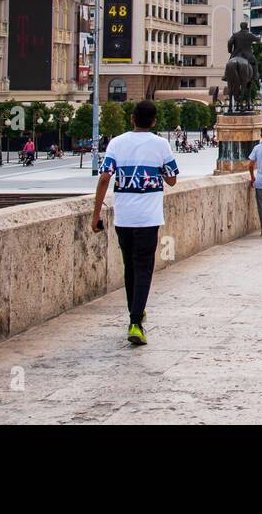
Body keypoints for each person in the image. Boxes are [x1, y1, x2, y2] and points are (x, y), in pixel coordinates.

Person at [90, 99, 180, 347]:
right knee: (143, 268)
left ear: (132, 119)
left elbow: (105, 177)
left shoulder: (117, 143)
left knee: (130, 267)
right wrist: (155, 173)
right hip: (148, 219)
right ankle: (136, 322)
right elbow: (172, 180)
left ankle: (135, 314)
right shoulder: (161, 144)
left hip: (124, 217)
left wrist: (95, 214)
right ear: (154, 121)